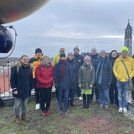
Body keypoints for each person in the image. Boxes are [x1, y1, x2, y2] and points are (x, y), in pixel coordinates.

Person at [10, 55, 34, 124]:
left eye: (27, 59)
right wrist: (14, 89)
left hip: (27, 89)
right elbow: (12, 80)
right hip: (18, 89)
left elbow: (31, 78)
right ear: (21, 60)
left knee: (25, 104)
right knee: (17, 104)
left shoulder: (29, 68)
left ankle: (24, 115)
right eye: (24, 59)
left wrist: (31, 87)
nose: (26, 60)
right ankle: (17, 117)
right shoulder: (16, 68)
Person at [113, 47, 134, 113]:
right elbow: (114, 69)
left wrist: (129, 76)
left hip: (126, 80)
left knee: (126, 94)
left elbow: (133, 70)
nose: (124, 53)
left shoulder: (131, 60)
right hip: (119, 80)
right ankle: (120, 106)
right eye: (123, 51)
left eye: (125, 51)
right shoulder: (117, 60)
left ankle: (124, 107)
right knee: (119, 94)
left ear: (127, 53)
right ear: (121, 52)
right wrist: (117, 75)